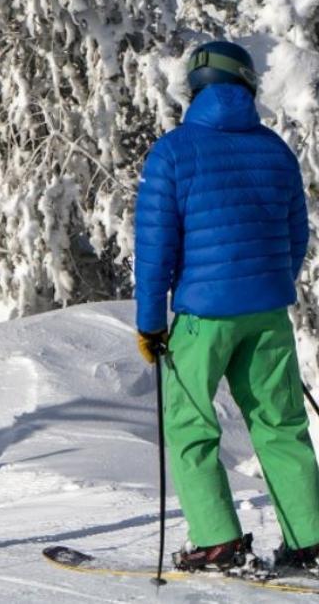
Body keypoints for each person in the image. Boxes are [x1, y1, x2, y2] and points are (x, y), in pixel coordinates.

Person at [135, 40, 319, 572]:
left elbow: (155, 251)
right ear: (246, 83)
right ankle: (308, 539)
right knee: (280, 424)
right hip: (267, 314)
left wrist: (150, 325)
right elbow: (295, 234)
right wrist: (267, 283)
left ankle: (218, 540)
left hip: (201, 318)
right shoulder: (275, 150)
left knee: (191, 426)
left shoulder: (173, 152)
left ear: (195, 88)